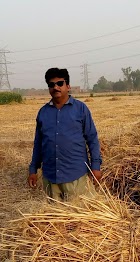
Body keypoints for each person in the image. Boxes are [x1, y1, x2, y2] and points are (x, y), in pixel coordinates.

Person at [28, 67, 102, 201]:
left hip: (75, 176)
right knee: (54, 218)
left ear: (68, 86)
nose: (56, 87)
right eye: (51, 85)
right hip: (50, 178)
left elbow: (92, 139)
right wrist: (33, 169)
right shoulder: (43, 113)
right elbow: (38, 143)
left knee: (78, 218)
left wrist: (95, 167)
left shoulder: (81, 109)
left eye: (60, 83)